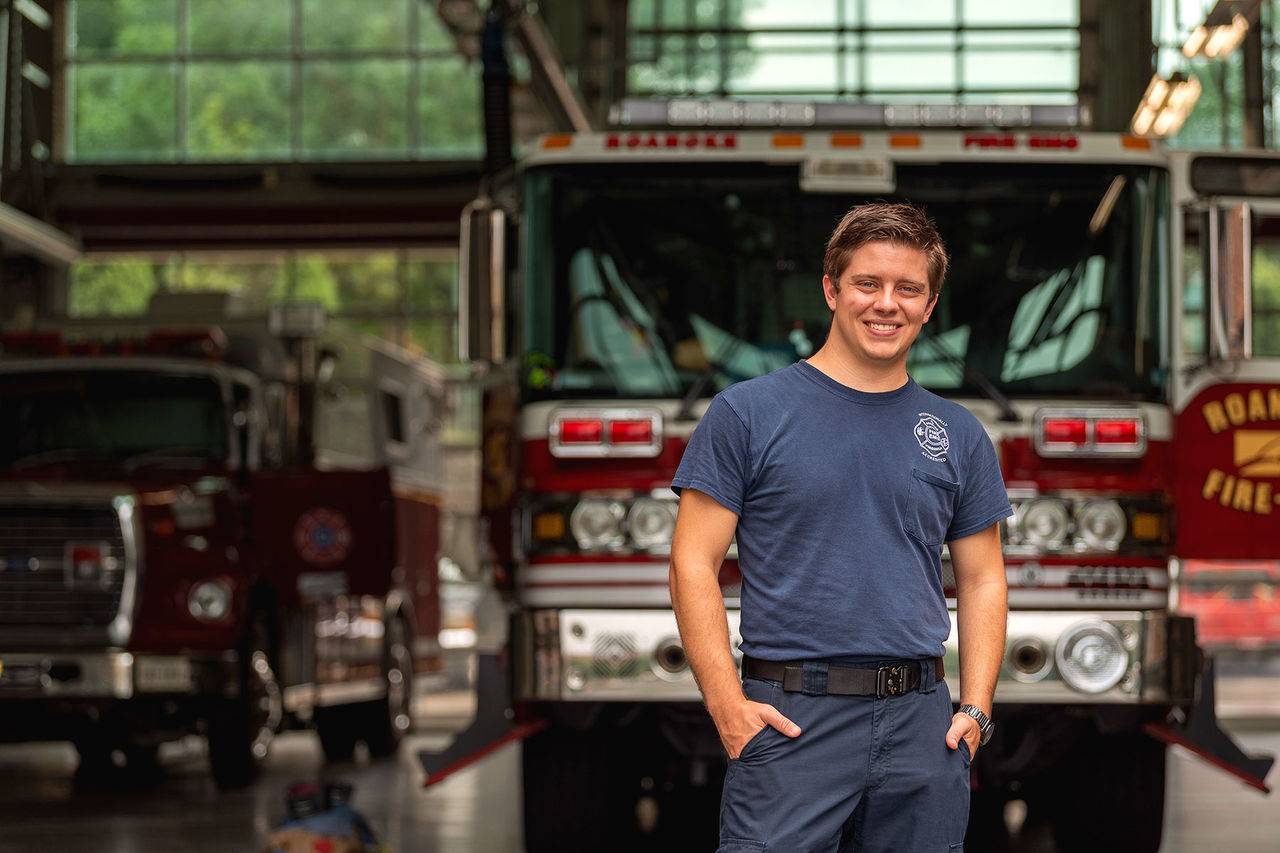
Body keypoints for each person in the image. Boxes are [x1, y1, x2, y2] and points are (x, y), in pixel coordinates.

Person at [669, 201, 1011, 852]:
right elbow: (691, 563)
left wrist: (976, 705)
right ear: (831, 289)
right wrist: (725, 704)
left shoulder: (960, 435)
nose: (887, 304)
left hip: (921, 721)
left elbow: (982, 574)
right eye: (868, 283)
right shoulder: (746, 414)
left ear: (930, 303)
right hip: (792, 715)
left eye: (908, 288)